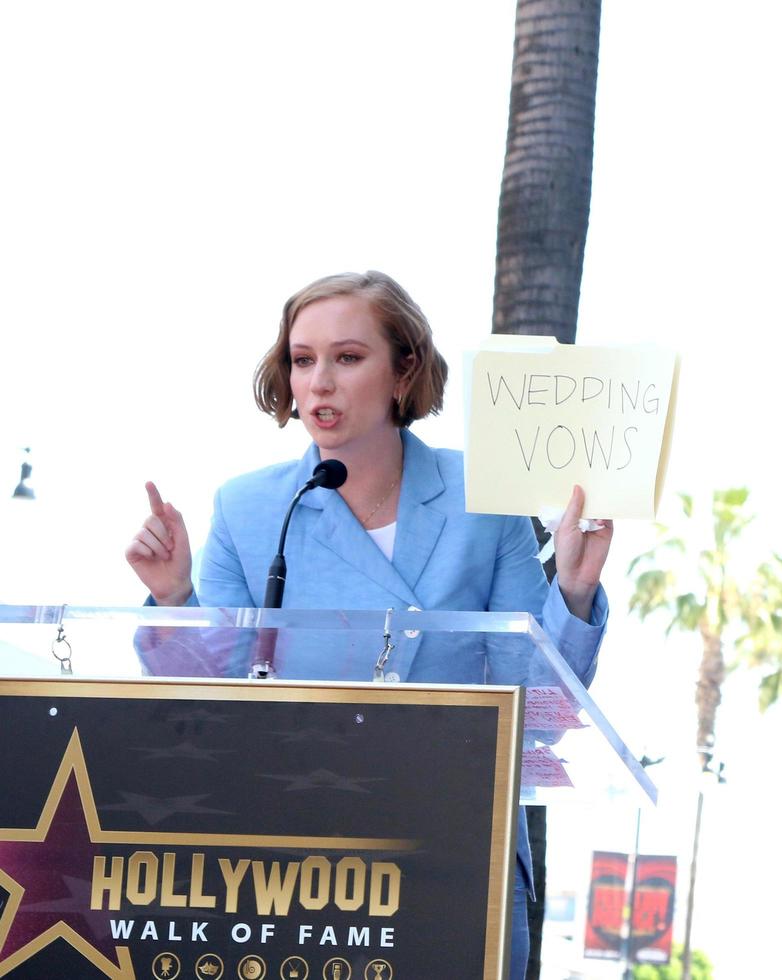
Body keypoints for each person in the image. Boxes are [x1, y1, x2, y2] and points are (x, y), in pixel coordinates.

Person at [124, 270, 612, 980]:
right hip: (296, 864)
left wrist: (573, 584)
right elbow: (204, 713)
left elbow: (537, 715)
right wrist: (174, 598)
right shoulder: (249, 508)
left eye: (348, 358)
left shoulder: (486, 499)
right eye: (302, 359)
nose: (319, 381)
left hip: (454, 852)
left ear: (403, 368)